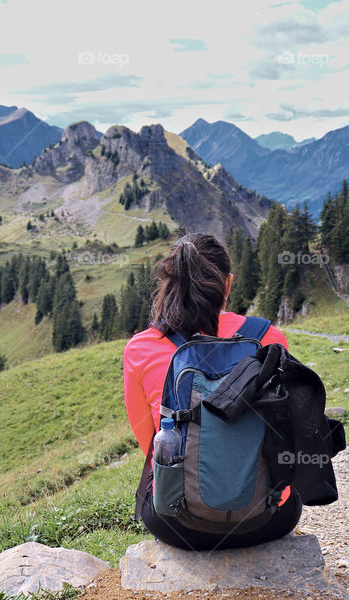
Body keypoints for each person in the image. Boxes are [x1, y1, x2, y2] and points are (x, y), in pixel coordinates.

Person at [123, 232, 303, 550]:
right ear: (228, 284)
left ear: (172, 283)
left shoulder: (140, 348)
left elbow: (150, 446)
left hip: (177, 525)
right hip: (266, 519)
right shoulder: (270, 337)